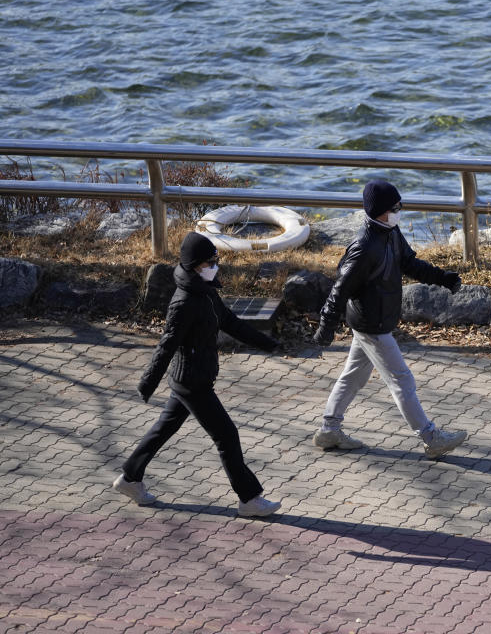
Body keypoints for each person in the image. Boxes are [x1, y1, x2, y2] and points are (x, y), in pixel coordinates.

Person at [112, 232, 283, 517]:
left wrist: (268, 343)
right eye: (209, 262)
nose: (215, 265)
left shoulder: (206, 291)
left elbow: (230, 322)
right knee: (227, 436)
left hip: (193, 378)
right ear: (194, 265)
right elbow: (167, 344)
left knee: (163, 429)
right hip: (192, 381)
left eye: (216, 260)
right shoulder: (184, 303)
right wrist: (148, 382)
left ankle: (130, 478)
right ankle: (249, 499)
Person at [312, 179, 467, 458]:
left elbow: (409, 263)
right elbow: (339, 290)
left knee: (353, 377)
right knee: (402, 380)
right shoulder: (364, 247)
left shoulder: (390, 232)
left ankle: (329, 429)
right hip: (372, 325)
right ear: (380, 211)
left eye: (400, 205)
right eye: (395, 207)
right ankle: (431, 437)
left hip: (375, 322)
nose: (399, 211)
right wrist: (326, 325)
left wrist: (442, 278)